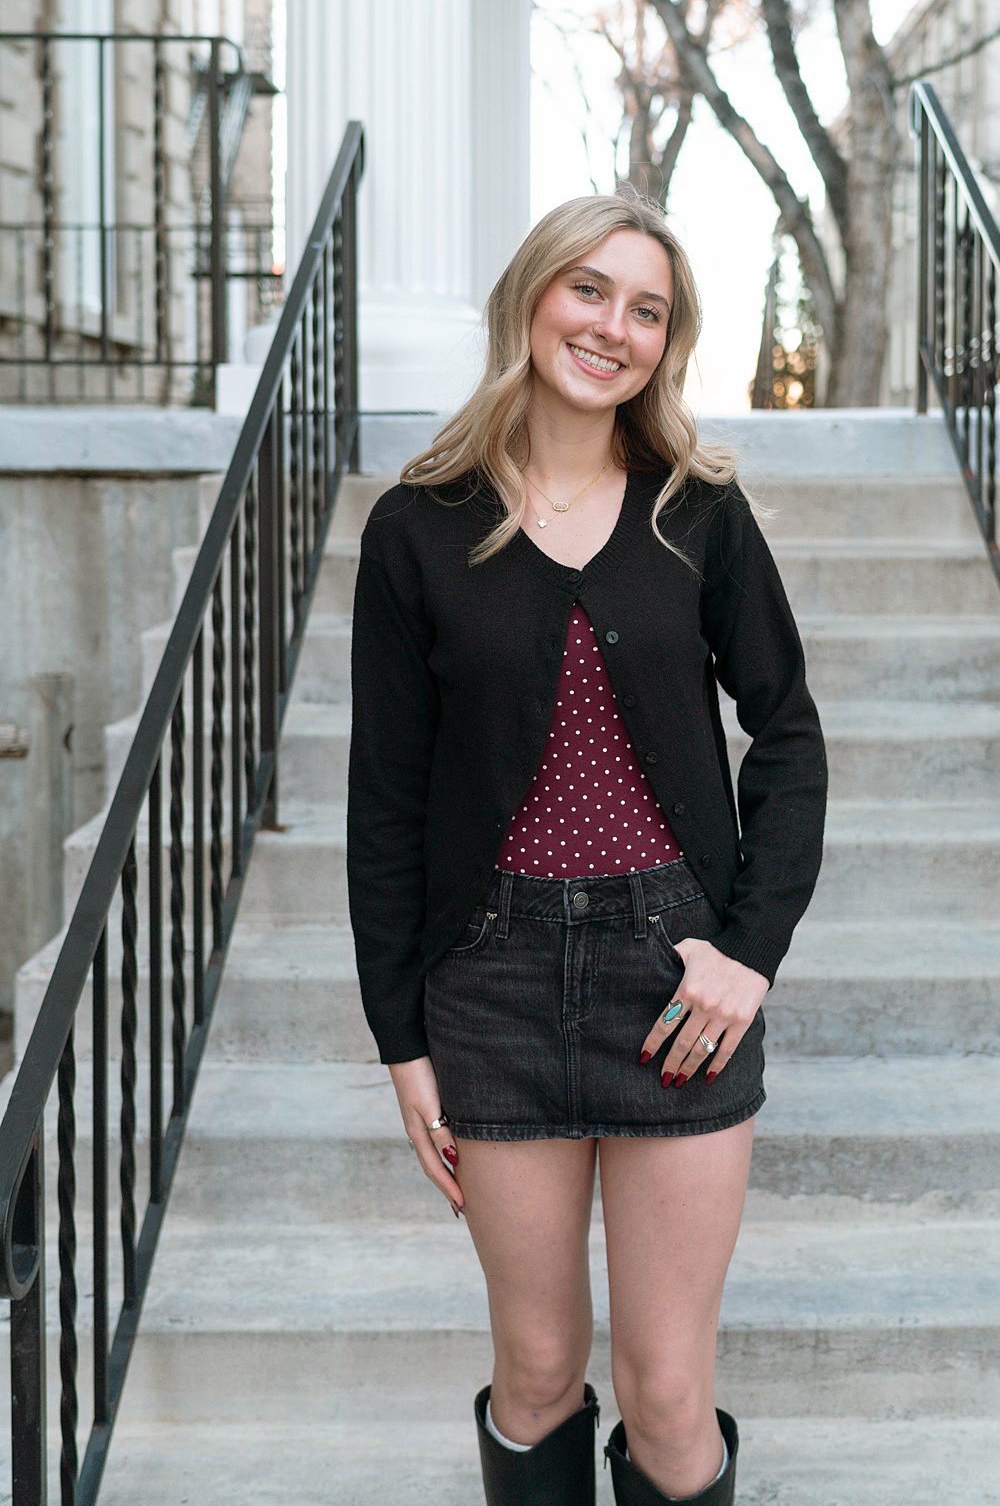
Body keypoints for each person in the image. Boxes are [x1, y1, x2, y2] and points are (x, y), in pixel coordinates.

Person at [345, 189, 828, 1504]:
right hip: (492, 986)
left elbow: (787, 736)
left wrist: (748, 954)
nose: (612, 326)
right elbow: (385, 806)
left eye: (648, 309)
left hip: (676, 980)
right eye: (589, 290)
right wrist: (404, 1046)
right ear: (533, 296)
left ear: (667, 344)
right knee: (541, 1369)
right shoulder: (419, 529)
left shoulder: (697, 513)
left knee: (672, 1397)